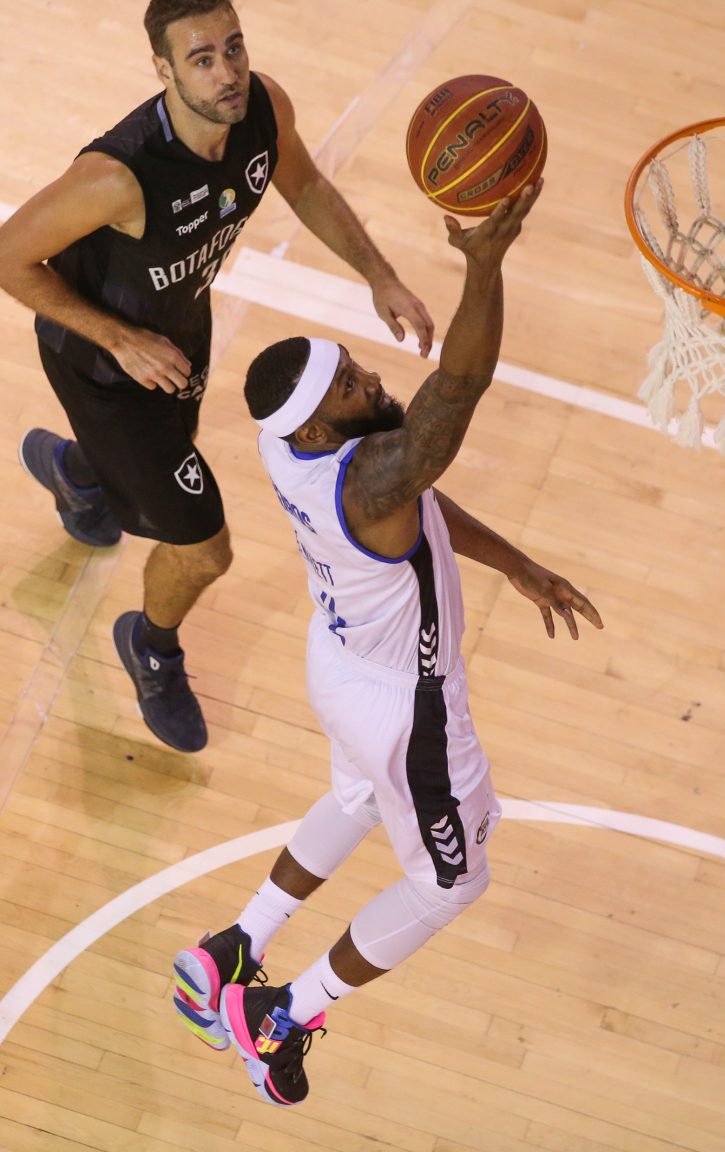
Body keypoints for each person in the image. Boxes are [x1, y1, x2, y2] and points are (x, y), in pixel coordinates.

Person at [171, 183, 604, 1108]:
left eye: (355, 366)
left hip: (340, 664)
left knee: (359, 796)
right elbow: (459, 391)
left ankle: (233, 948)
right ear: (320, 425)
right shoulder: (367, 479)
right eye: (350, 388)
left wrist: (517, 564)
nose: (371, 382)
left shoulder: (288, 448)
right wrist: (483, 270)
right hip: (408, 709)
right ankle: (279, 1016)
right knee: (452, 884)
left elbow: (419, 503)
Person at [0, 0, 433, 754]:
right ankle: (150, 645)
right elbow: (9, 256)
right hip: (106, 366)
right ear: (163, 70)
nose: (228, 72)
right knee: (204, 549)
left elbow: (305, 186)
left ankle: (81, 475)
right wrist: (120, 339)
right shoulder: (118, 176)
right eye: (202, 59)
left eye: (233, 48)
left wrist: (380, 275)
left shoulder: (262, 108)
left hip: (180, 333)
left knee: (160, 458)